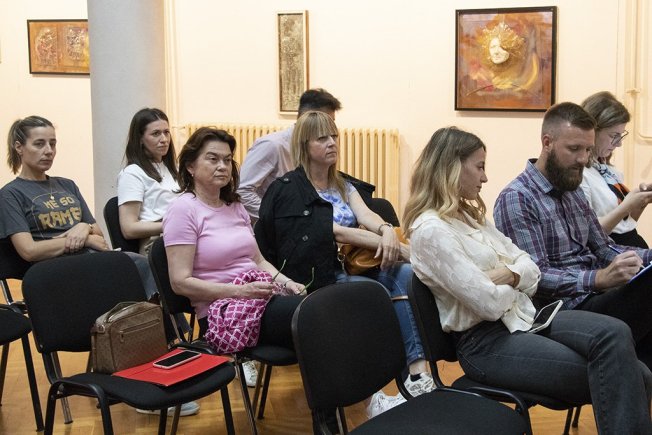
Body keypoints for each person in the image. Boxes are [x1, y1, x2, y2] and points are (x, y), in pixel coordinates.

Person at [405, 126, 652, 434]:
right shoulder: (431, 231)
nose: (485, 177)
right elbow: (489, 304)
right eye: (479, 167)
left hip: (526, 317)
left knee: (616, 332)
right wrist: (515, 279)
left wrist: (509, 275)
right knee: (634, 373)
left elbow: (530, 267)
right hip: (485, 343)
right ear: (451, 168)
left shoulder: (469, 217)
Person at [0, 116, 189, 416]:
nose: (48, 150)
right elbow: (29, 250)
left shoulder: (67, 185)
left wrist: (85, 231)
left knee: (138, 266)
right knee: (131, 274)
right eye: (39, 144)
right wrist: (78, 235)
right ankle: (154, 373)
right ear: (19, 147)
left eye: (53, 143)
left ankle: (160, 364)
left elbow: (98, 233)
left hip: (90, 262)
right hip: (54, 275)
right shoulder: (11, 194)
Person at [255, 111, 431, 415]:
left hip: (349, 264)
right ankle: (372, 396)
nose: (332, 143)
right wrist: (395, 246)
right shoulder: (291, 188)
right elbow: (333, 231)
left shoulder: (342, 184)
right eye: (322, 138)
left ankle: (418, 376)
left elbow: (367, 215)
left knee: (405, 275)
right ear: (304, 144)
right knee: (371, 295)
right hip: (316, 275)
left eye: (334, 136)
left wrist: (387, 230)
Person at [494, 102, 652, 369]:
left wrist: (648, 257)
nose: (583, 159)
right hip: (563, 310)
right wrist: (598, 278)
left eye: (588, 149)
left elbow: (604, 248)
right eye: (574, 149)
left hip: (596, 296)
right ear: (547, 143)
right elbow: (534, 277)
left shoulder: (573, 191)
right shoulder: (517, 198)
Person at [162, 126, 304, 368]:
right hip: (223, 313)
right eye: (213, 159)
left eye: (227, 160)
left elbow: (258, 261)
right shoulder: (183, 209)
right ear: (190, 166)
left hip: (257, 299)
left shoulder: (235, 206)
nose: (223, 166)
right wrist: (241, 292)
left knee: (322, 309)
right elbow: (180, 282)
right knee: (315, 316)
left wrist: (289, 283)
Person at [238, 88, 342, 223]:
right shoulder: (272, 145)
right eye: (324, 121)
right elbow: (242, 191)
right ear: (306, 117)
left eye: (332, 122)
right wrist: (278, 217)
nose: (330, 127)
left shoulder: (318, 150)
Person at [580, 91, 652, 248]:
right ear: (593, 131)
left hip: (631, 243)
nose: (619, 143)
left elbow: (625, 226)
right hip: (611, 250)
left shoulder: (609, 170)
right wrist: (627, 205)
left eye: (621, 135)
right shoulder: (580, 175)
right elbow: (590, 235)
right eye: (614, 135)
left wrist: (641, 202)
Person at [117, 108, 179, 255]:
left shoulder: (174, 169)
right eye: (156, 134)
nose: (164, 139)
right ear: (140, 139)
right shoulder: (132, 173)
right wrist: (173, 225)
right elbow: (129, 229)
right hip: (156, 242)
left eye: (166, 132)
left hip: (179, 233)